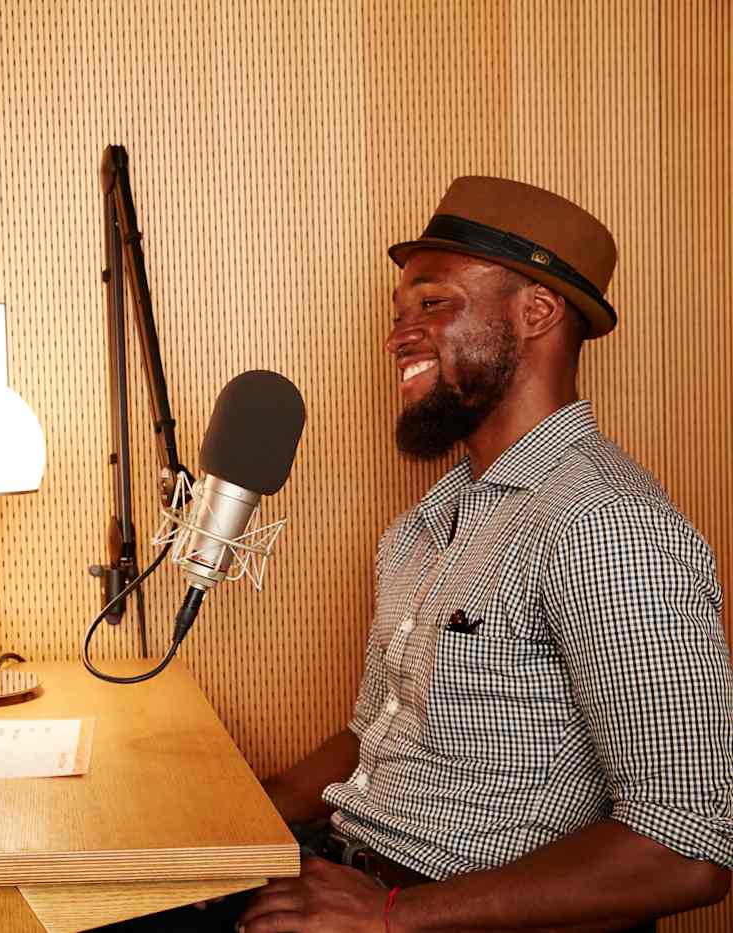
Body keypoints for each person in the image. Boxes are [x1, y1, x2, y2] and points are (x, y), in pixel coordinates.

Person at [240, 178, 733, 932]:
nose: (398, 335)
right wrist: (238, 830)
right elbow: (375, 734)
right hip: (346, 876)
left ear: (537, 311)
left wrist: (392, 914)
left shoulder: (605, 526)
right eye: (398, 313)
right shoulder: (421, 527)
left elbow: (687, 844)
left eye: (434, 304)